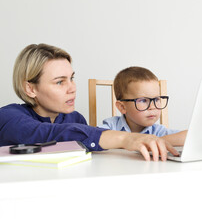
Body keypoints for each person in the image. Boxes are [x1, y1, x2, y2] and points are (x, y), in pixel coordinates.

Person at [0, 43, 179, 161]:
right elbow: (43, 133)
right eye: (60, 82)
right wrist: (126, 137)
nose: (72, 88)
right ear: (31, 89)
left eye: (72, 78)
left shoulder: (76, 119)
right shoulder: (8, 117)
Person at [100, 66, 186, 146]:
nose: (152, 106)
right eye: (143, 100)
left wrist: (154, 141)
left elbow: (189, 136)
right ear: (122, 107)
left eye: (156, 99)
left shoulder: (157, 131)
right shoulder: (111, 126)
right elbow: (92, 138)